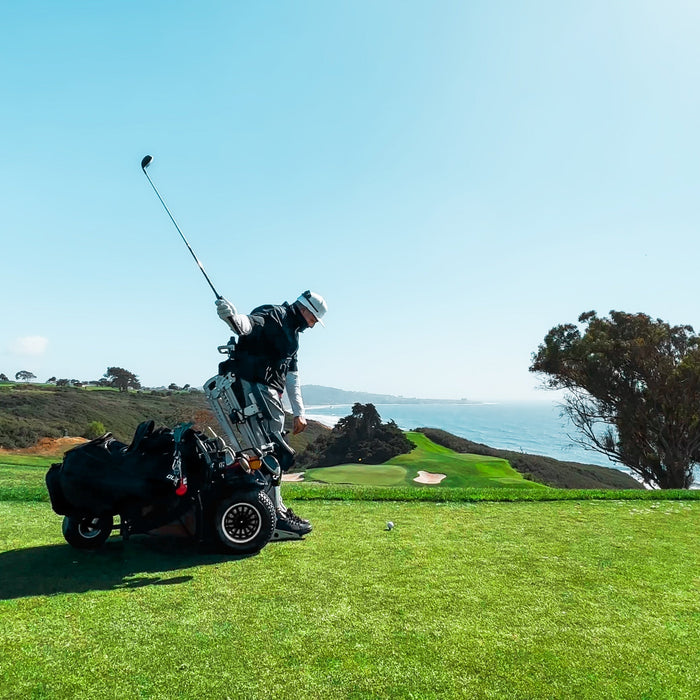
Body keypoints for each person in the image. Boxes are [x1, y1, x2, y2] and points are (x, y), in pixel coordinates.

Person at [215, 290, 327, 538]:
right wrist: (231, 318)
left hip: (269, 393)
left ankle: (277, 509)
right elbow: (248, 326)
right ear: (306, 309)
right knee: (272, 452)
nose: (313, 325)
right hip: (255, 387)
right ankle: (274, 512)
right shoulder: (274, 314)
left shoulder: (294, 336)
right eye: (314, 320)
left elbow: (292, 377)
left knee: (273, 451)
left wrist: (299, 412)